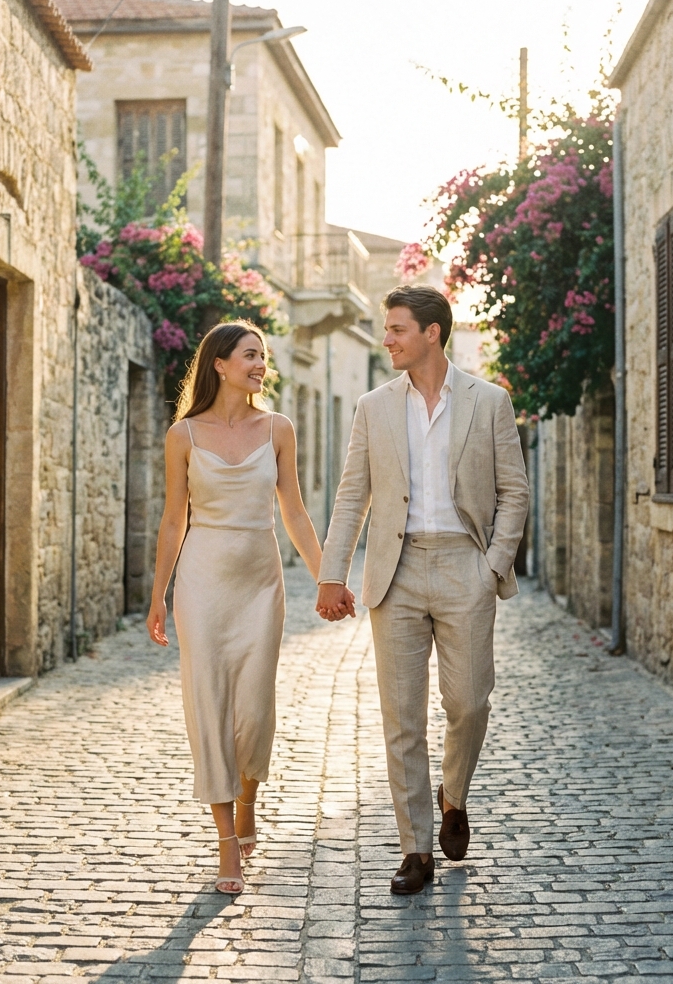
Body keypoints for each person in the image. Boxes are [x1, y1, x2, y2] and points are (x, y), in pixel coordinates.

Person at [316, 284, 529, 895]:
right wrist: (333, 572)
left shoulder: (489, 401)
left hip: (466, 566)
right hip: (397, 570)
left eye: (397, 329)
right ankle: (415, 850)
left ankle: (453, 794)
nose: (386, 339)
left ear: (432, 333)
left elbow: (514, 492)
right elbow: (352, 494)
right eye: (387, 329)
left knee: (469, 703)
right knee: (402, 717)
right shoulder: (374, 406)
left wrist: (491, 566)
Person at [146, 320, 330, 895]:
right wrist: (158, 595)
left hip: (260, 585)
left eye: (262, 356)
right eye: (250, 355)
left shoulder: (278, 428)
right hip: (201, 584)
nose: (260, 365)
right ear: (219, 365)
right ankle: (227, 843)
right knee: (210, 705)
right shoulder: (183, 435)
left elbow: (294, 511)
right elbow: (173, 520)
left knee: (253, 710)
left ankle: (248, 797)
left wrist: (327, 578)